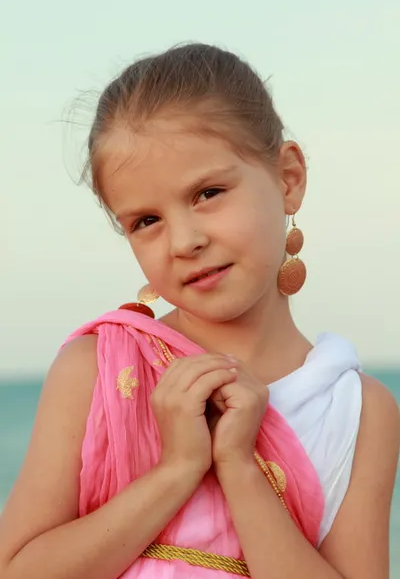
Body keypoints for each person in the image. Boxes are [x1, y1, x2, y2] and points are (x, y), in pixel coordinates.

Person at [0, 44, 398, 579]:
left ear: (288, 178)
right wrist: (178, 469)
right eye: (145, 221)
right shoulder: (96, 368)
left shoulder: (356, 408)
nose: (184, 241)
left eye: (208, 192)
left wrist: (238, 466)